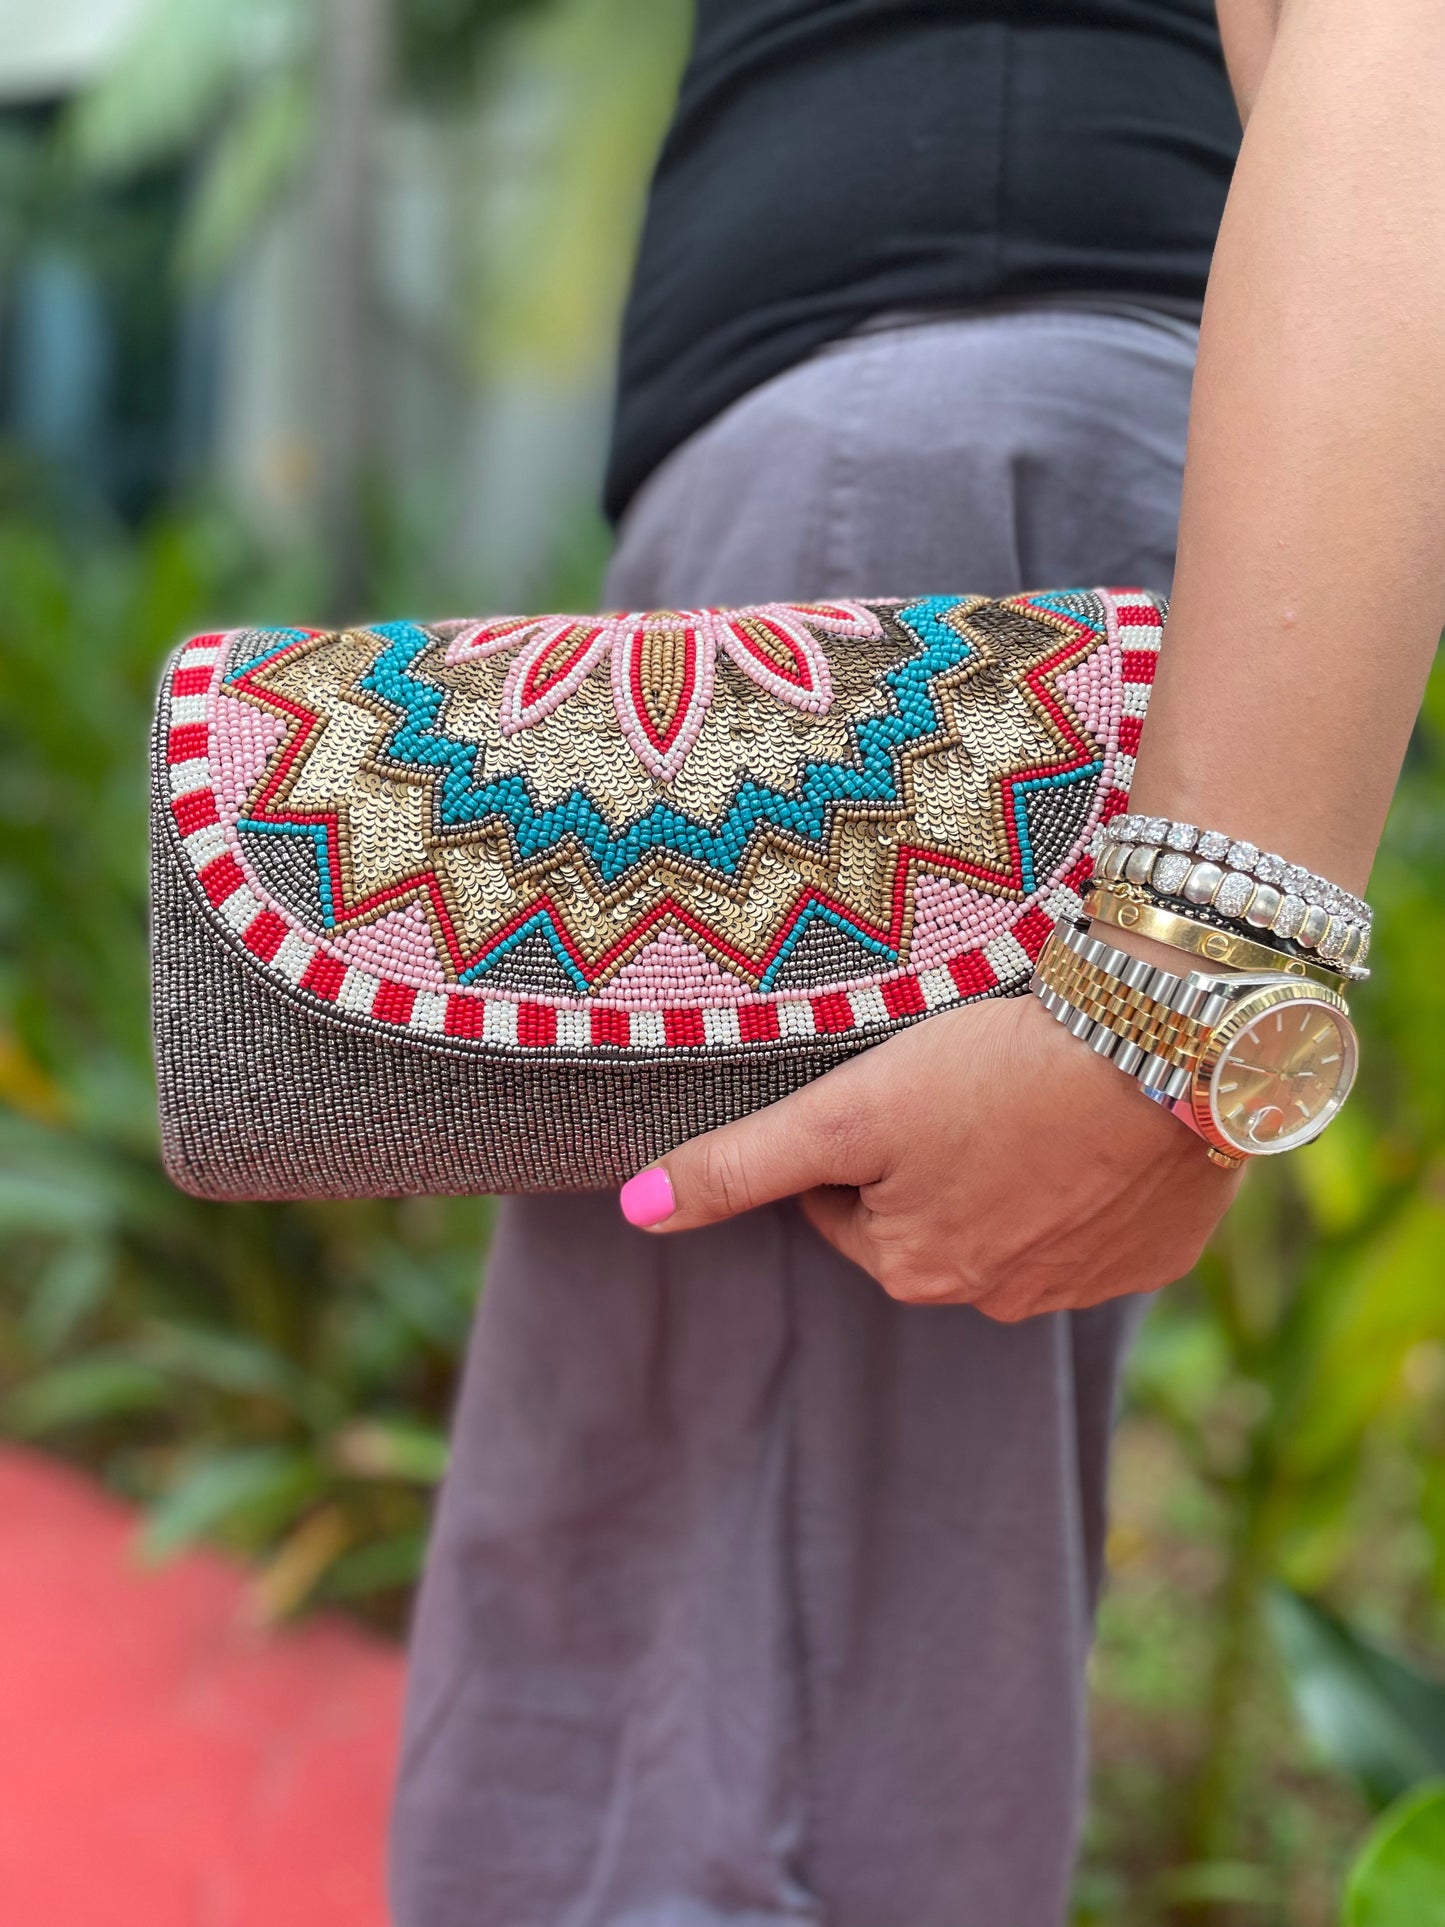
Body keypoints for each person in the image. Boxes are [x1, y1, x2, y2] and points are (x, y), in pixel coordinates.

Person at [391, 3, 1445, 1921]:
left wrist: (1192, 962)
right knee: (809, 1660)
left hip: (899, 554)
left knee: (709, 1733)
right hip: (936, 491)